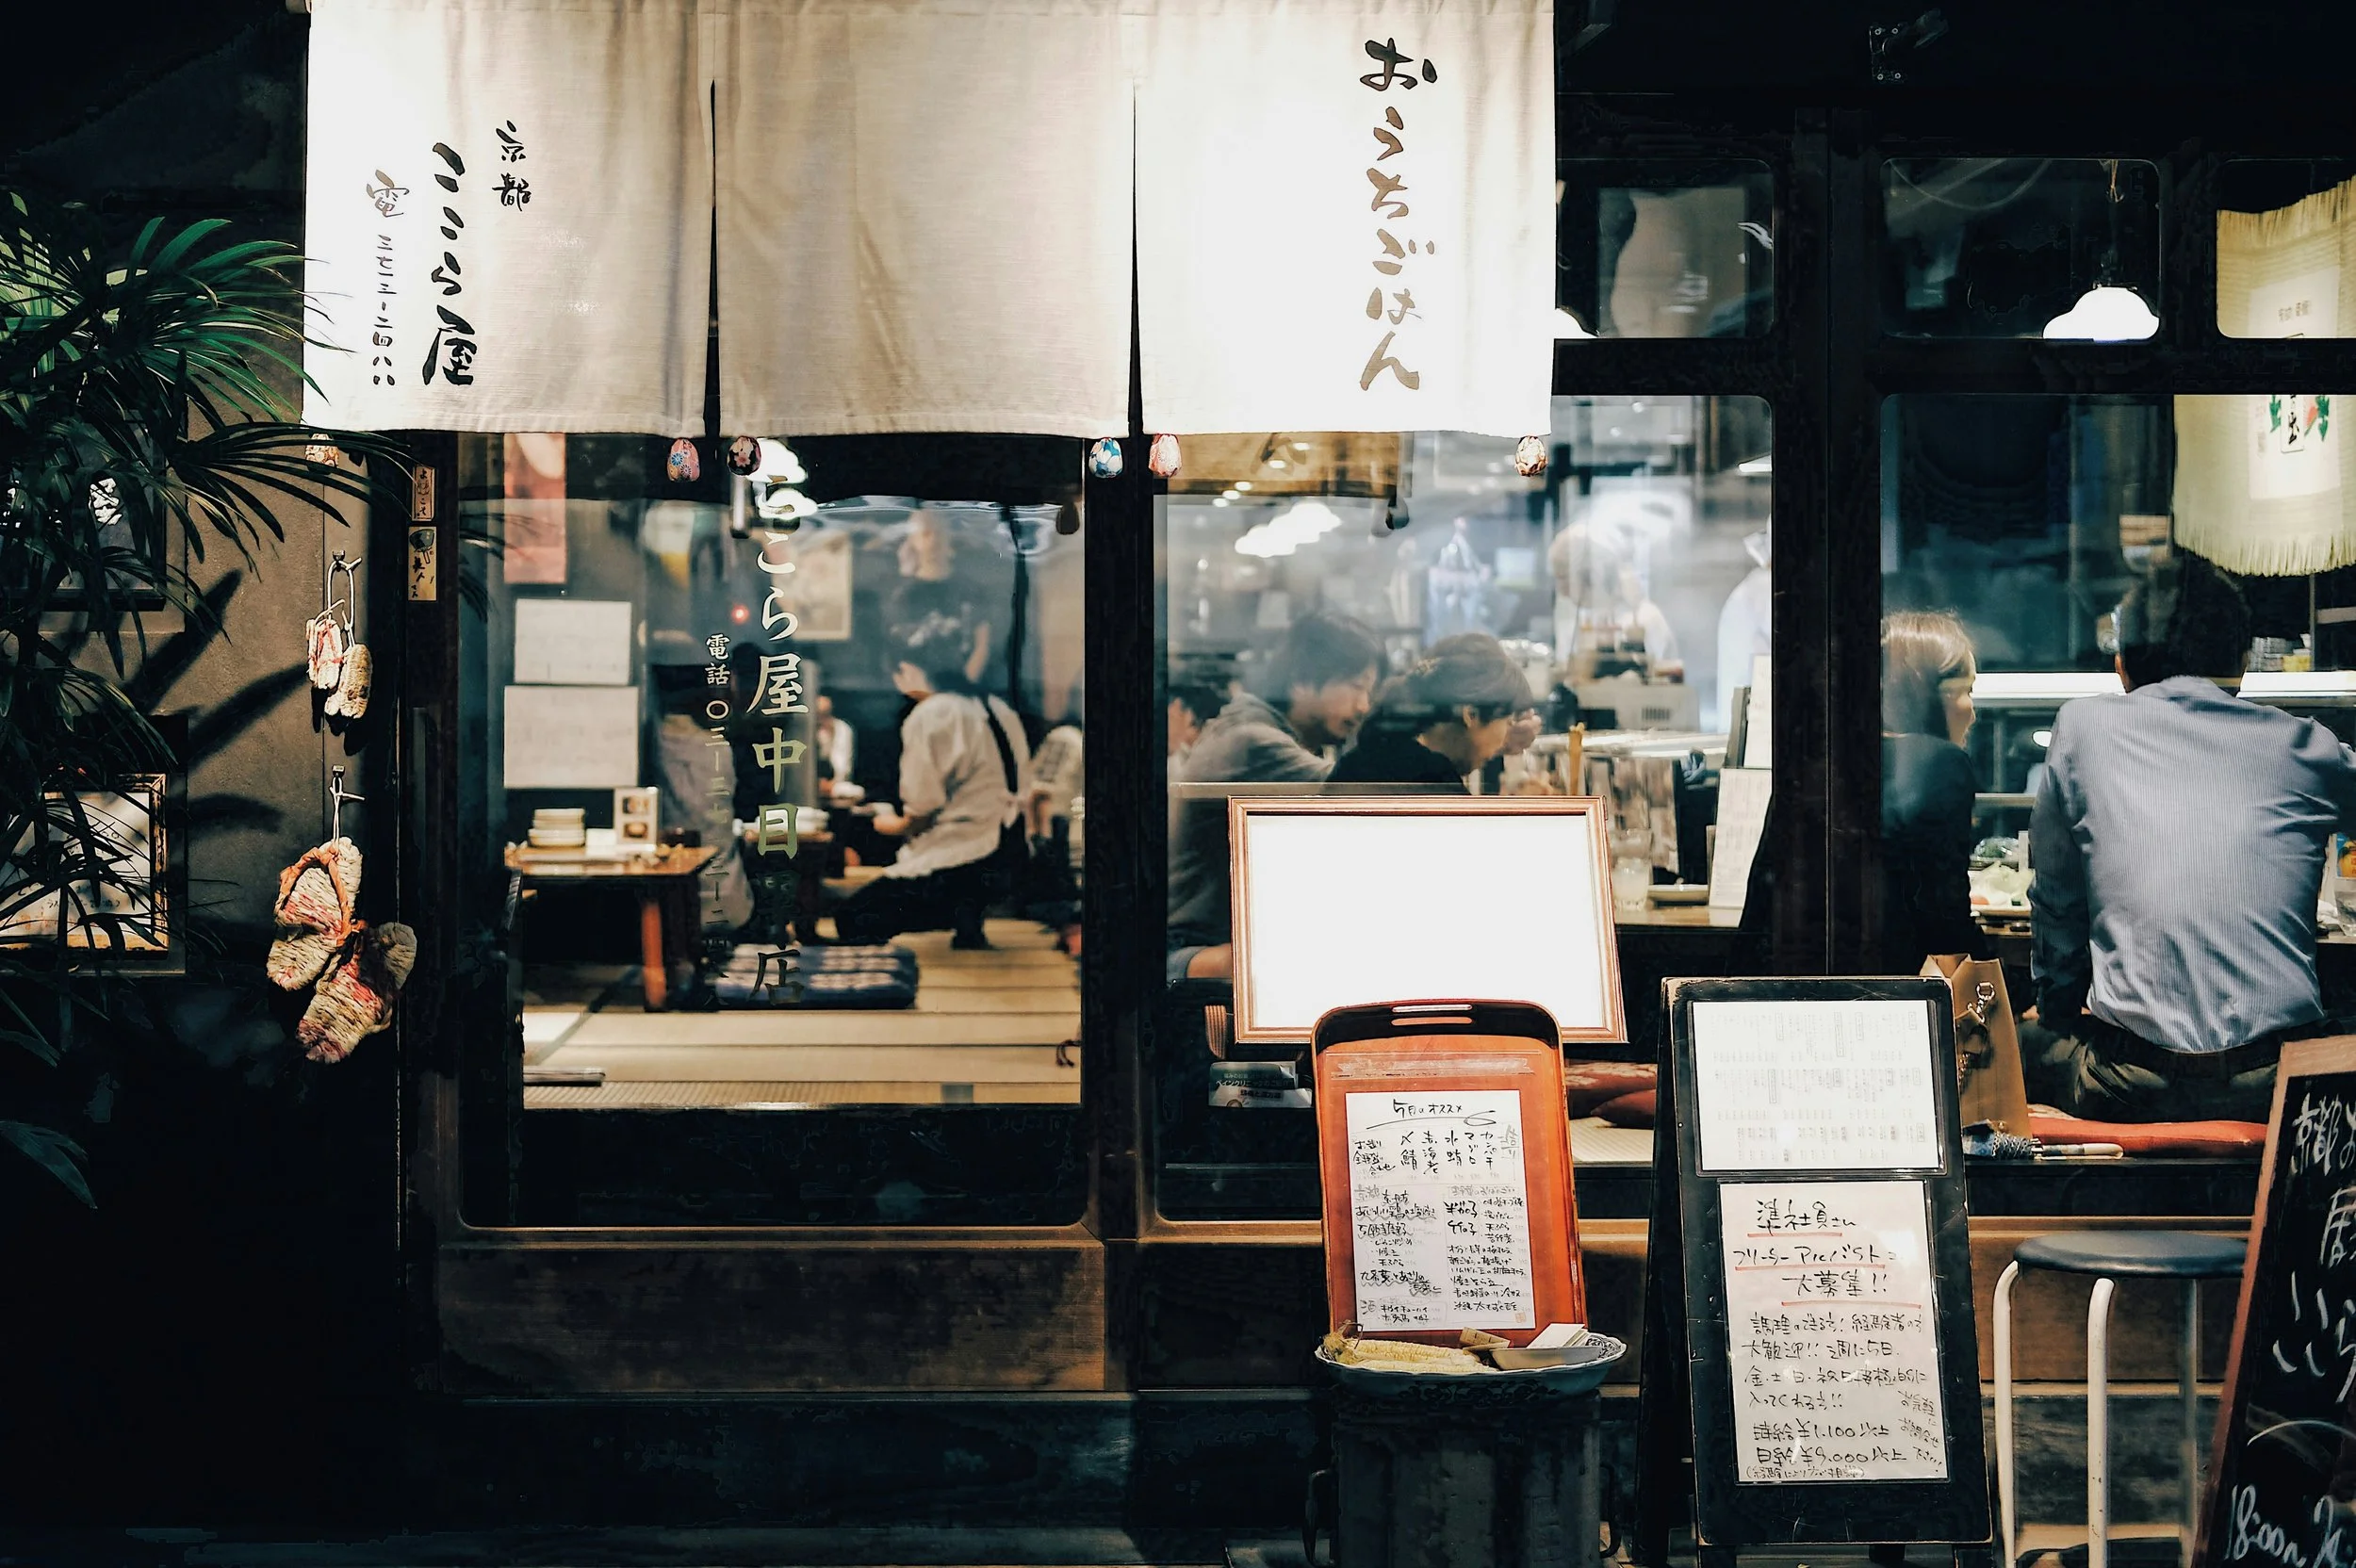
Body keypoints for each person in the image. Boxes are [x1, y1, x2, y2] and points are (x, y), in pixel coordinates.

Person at [2025, 554, 2356, 1122]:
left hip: (2132, 1081)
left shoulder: (2081, 727)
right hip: (2277, 1085)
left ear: (2122, 666)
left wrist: (2059, 1007)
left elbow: (2058, 906)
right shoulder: (2307, 748)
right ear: (2243, 664)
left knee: (2021, 1045)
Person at [1166, 611, 1383, 982]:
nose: (1363, 706)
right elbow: (1377, 794)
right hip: (1190, 953)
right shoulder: (1253, 742)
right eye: (1355, 686)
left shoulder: (1264, 732)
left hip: (1208, 943)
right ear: (1301, 681)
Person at [832, 615, 1031, 950]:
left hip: (964, 858)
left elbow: (922, 809)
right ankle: (967, 919)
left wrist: (887, 824)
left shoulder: (933, 713)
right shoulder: (999, 708)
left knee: (853, 918)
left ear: (907, 669)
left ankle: (957, 908)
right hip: (1011, 851)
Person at [1880, 611, 1988, 972]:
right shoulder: (1940, 762)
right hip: (1882, 990)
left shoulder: (1827, 757)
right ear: (1923, 692)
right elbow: (1946, 915)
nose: (1972, 712)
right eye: (1965, 691)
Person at [1331, 634, 1533, 791]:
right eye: (1508, 720)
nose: (1506, 738)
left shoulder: (1367, 757)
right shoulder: (1434, 785)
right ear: (1471, 714)